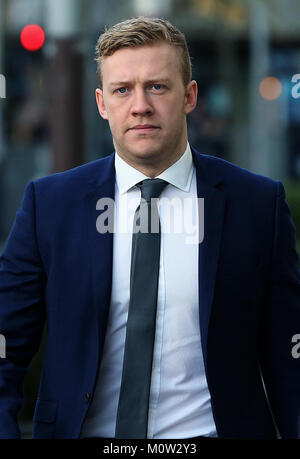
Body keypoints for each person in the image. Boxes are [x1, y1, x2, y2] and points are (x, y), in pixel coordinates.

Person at [0, 16, 299, 440]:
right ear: (103, 104)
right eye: (123, 90)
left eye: (157, 86)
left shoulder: (257, 206)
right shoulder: (49, 205)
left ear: (189, 96)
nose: (140, 105)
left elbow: (290, 356)